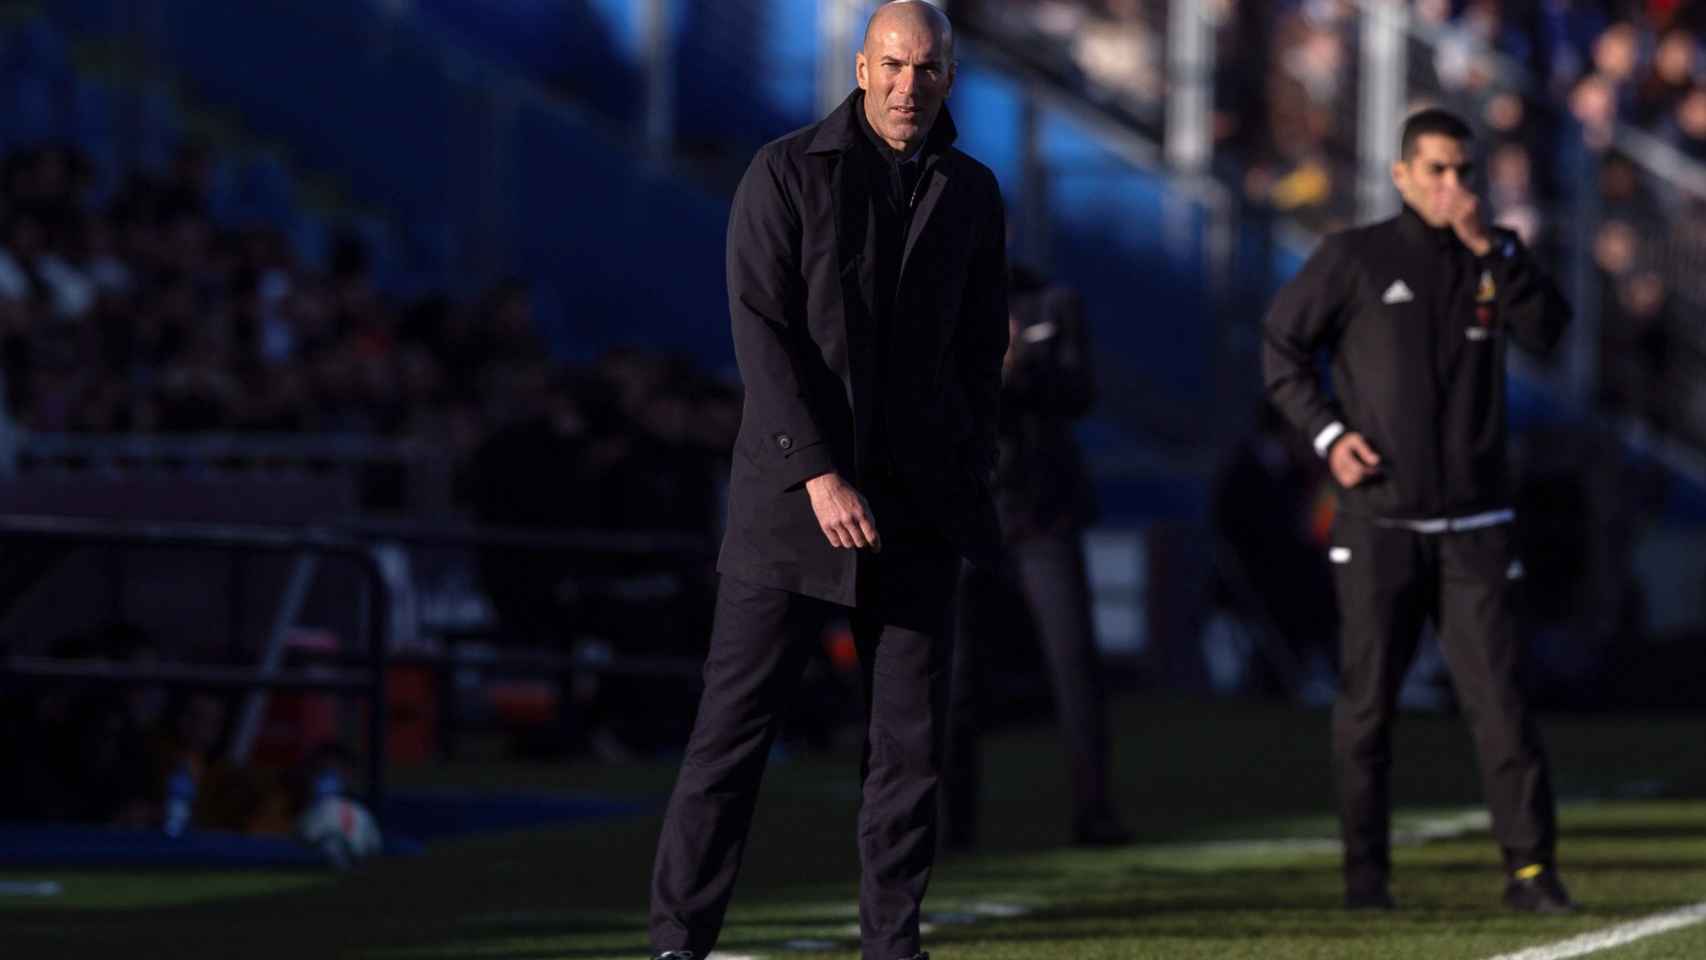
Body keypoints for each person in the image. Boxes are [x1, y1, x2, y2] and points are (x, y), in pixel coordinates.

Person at [646, 4, 1008, 960]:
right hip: (789, 511)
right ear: (859, 66)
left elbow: (979, 352)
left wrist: (970, 460)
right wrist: (817, 474)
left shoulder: (973, 193)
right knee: (730, 739)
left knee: (909, 757)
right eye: (891, 65)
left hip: (916, 512)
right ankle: (678, 942)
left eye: (926, 70)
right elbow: (761, 340)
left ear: (949, 77)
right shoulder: (782, 171)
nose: (906, 86)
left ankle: (894, 947)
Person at [1261, 107, 1575, 913]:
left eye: (1465, 171)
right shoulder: (1355, 257)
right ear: (1402, 175)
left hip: (1475, 527)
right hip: (1379, 525)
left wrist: (1488, 249)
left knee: (1502, 707)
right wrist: (1329, 434)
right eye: (1436, 169)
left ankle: (1531, 871)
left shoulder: (1496, 257)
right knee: (1366, 710)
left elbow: (1550, 333)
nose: (1453, 185)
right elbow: (1282, 348)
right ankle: (1366, 879)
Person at [943, 265, 1128, 849]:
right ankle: (952, 825)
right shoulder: (930, 297)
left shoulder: (1054, 298)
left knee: (1074, 666)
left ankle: (1094, 811)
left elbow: (1080, 393)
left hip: (1045, 511)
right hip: (965, 511)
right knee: (952, 675)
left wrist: (1021, 368)